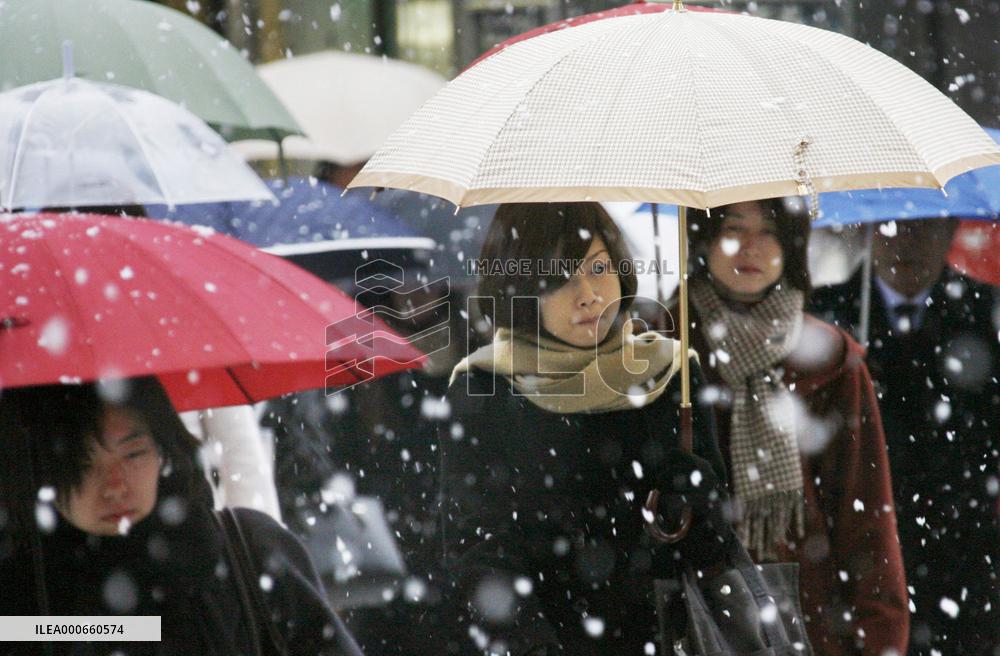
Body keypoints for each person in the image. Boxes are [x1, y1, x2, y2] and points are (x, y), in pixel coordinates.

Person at [436, 202, 735, 654]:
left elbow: (713, 552)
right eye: (559, 277)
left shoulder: (669, 375)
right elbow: (477, 555)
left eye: (598, 267)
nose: (589, 294)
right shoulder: (485, 389)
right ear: (518, 287)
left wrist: (696, 498)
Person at [680, 199, 909, 655]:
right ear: (704, 239)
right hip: (694, 610)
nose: (750, 247)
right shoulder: (664, 346)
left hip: (807, 614)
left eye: (768, 232)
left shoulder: (831, 361)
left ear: (791, 244)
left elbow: (866, 520)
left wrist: (879, 637)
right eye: (733, 227)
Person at [0, 377, 362, 656]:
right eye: (82, 463)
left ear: (163, 451)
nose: (114, 486)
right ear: (41, 471)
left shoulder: (248, 550)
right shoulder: (24, 594)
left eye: (134, 454)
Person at [810, 218, 1000, 655]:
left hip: (963, 556)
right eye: (891, 228)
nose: (905, 243)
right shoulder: (827, 316)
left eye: (923, 227)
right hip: (858, 553)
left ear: (950, 230)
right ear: (868, 230)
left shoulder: (984, 313)